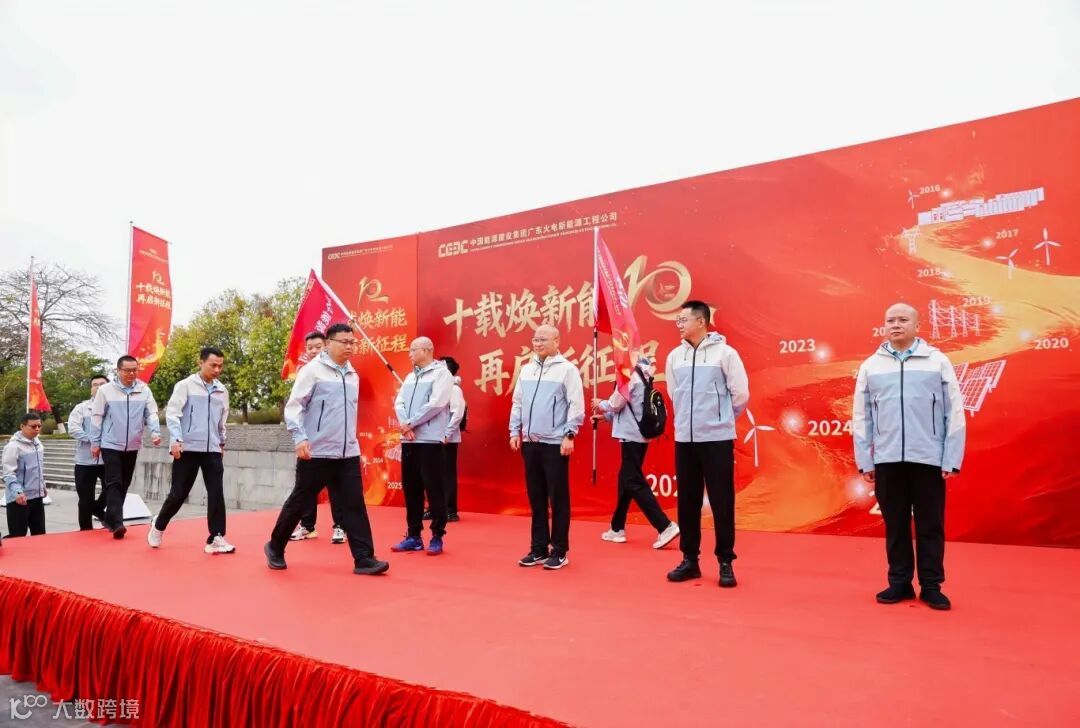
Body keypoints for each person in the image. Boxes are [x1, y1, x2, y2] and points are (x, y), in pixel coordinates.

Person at [853, 302, 965, 611]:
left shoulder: (937, 362)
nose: (896, 325)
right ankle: (899, 582)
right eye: (890, 320)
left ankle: (931, 585)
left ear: (917, 325)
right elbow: (862, 417)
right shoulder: (871, 366)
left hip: (928, 457)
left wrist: (951, 458)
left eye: (903, 320)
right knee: (896, 524)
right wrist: (865, 460)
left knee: (930, 524)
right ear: (884, 325)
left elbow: (954, 412)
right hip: (887, 459)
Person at [265, 323, 389, 576]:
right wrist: (300, 437)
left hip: (347, 452)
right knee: (301, 501)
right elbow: (294, 406)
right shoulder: (312, 371)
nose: (350, 346)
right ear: (329, 343)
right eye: (344, 342)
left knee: (354, 504)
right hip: (317, 451)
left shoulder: (352, 374)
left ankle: (364, 558)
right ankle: (275, 547)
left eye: (352, 342)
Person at [664, 300, 749, 587]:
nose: (679, 325)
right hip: (685, 439)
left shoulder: (725, 354)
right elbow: (674, 393)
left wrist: (719, 418)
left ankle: (725, 560)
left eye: (683, 320)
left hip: (717, 439)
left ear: (701, 321)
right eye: (677, 320)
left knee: (722, 501)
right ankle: (690, 560)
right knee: (687, 501)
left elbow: (740, 395)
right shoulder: (675, 356)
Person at [509, 325, 584, 570]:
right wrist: (514, 431)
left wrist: (570, 434)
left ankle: (559, 550)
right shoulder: (527, 369)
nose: (538, 343)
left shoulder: (567, 370)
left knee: (558, 497)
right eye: (535, 339)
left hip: (555, 443)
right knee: (536, 498)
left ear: (556, 340)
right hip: (530, 442)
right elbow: (518, 402)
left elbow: (576, 404)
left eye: (543, 339)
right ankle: (538, 548)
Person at [148, 346, 235, 554]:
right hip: (187, 448)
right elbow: (173, 414)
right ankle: (159, 524)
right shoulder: (185, 386)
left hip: (212, 449)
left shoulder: (222, 391)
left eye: (220, 366)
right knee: (179, 493)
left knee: (216, 492)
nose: (217, 370)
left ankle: (216, 536)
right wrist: (176, 439)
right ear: (201, 363)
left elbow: (222, 420)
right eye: (213, 365)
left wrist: (221, 443)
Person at [592, 355, 680, 549]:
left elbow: (616, 403)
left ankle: (664, 526)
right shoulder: (643, 373)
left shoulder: (629, 374)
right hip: (639, 434)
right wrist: (607, 417)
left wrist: (601, 404)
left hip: (631, 435)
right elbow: (633, 404)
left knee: (632, 481)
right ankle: (617, 528)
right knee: (626, 479)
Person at [391, 337, 453, 555]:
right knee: (411, 489)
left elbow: (436, 404)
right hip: (409, 440)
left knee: (434, 488)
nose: (409, 354)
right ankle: (413, 535)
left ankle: (437, 535)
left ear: (427, 350)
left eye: (413, 350)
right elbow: (399, 402)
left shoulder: (442, 374)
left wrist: (411, 422)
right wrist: (404, 423)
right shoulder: (410, 377)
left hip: (430, 440)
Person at [91, 355, 162, 539]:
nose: (131, 373)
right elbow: (97, 416)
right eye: (127, 370)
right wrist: (95, 442)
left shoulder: (144, 389)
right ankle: (117, 523)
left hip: (132, 444)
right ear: (118, 371)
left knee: (124, 483)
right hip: (110, 443)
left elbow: (151, 413)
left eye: (134, 370)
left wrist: (155, 432)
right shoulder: (106, 390)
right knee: (114, 481)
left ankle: (102, 511)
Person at [290, 331, 346, 544]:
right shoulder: (306, 372)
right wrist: (299, 436)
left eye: (317, 346)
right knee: (305, 487)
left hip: (333, 441)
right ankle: (307, 526)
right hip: (310, 441)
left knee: (336, 486)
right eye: (309, 347)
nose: (313, 351)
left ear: (327, 346)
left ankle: (340, 526)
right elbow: (296, 406)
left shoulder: (340, 372)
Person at [67, 374, 109, 530]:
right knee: (85, 499)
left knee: (112, 491)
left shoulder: (114, 408)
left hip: (108, 459)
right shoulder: (81, 408)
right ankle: (85, 530)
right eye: (94, 384)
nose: (98, 387)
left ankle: (98, 509)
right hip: (85, 460)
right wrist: (94, 440)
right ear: (91, 389)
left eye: (102, 384)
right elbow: (73, 428)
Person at [3, 411, 47, 537]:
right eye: (33, 426)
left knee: (40, 535)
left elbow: (38, 469)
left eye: (39, 426)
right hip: (19, 499)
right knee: (18, 537)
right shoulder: (13, 446)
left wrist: (42, 486)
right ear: (22, 426)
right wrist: (17, 492)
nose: (37, 429)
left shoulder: (38, 444)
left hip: (37, 497)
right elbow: (8, 473)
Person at [442, 356, 466, 522]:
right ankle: (435, 508)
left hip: (447, 439)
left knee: (447, 474)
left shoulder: (455, 390)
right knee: (434, 474)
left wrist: (447, 434)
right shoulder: (437, 387)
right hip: (434, 438)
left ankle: (450, 510)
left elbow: (457, 414)